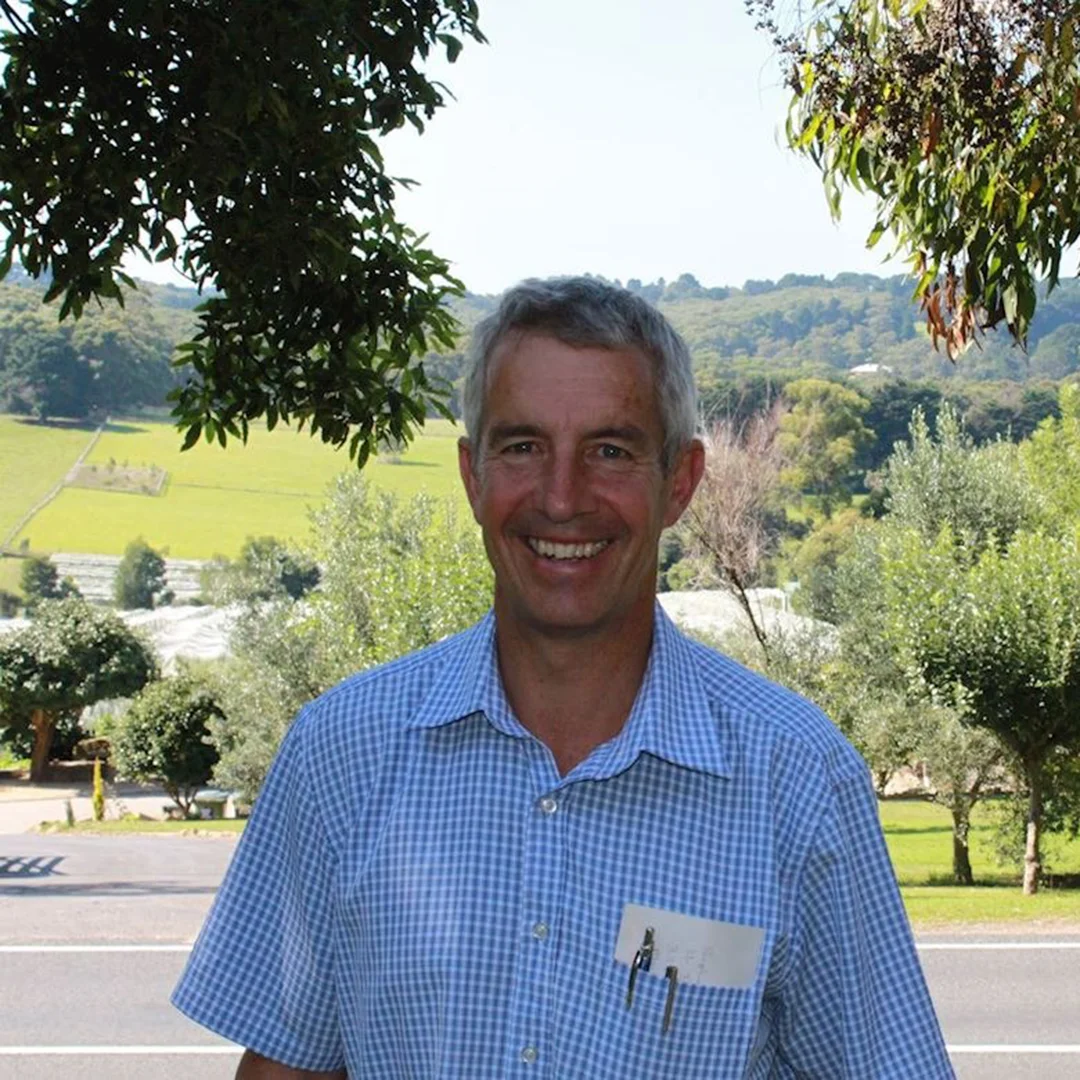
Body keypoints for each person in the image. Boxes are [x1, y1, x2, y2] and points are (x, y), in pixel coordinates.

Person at [173, 276, 953, 1078]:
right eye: (522, 447)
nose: (561, 497)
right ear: (473, 476)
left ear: (679, 482)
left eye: (610, 451)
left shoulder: (795, 777)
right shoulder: (341, 753)